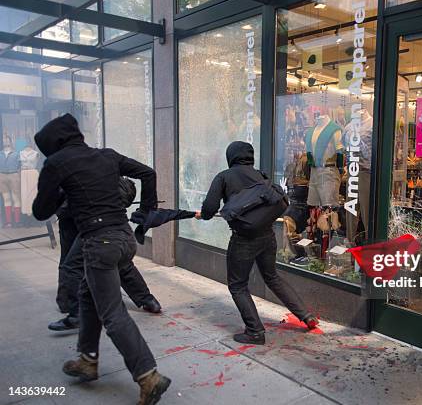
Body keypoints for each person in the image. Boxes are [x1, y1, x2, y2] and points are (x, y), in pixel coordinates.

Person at [32, 114, 170, 405]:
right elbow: (148, 172)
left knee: (112, 313)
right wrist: (144, 213)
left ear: (52, 145)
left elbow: (41, 211)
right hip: (124, 237)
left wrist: (59, 190)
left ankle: (148, 376)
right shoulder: (106, 156)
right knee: (87, 293)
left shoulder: (57, 163)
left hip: (99, 242)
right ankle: (87, 358)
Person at [196, 141, 319, 345]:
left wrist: (204, 215)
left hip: (243, 240)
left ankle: (255, 331)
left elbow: (209, 209)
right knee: (272, 277)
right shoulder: (261, 176)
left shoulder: (224, 177)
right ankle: (306, 316)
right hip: (268, 237)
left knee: (237, 285)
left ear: (231, 156)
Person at [50, 177, 162, 332]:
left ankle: (73, 310)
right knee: (117, 261)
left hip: (82, 217)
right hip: (99, 217)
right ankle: (147, 299)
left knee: (71, 263)